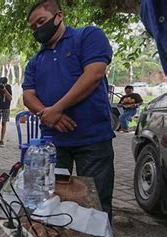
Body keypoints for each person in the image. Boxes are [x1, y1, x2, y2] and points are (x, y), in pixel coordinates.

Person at [22, 0, 115, 219]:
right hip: (53, 144)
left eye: (41, 22)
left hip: (92, 140)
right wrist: (49, 115)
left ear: (59, 16)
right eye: (33, 27)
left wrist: (57, 108)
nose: (37, 29)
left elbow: (94, 74)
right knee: (50, 201)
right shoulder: (35, 60)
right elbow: (27, 95)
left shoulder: (88, 36)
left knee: (96, 206)